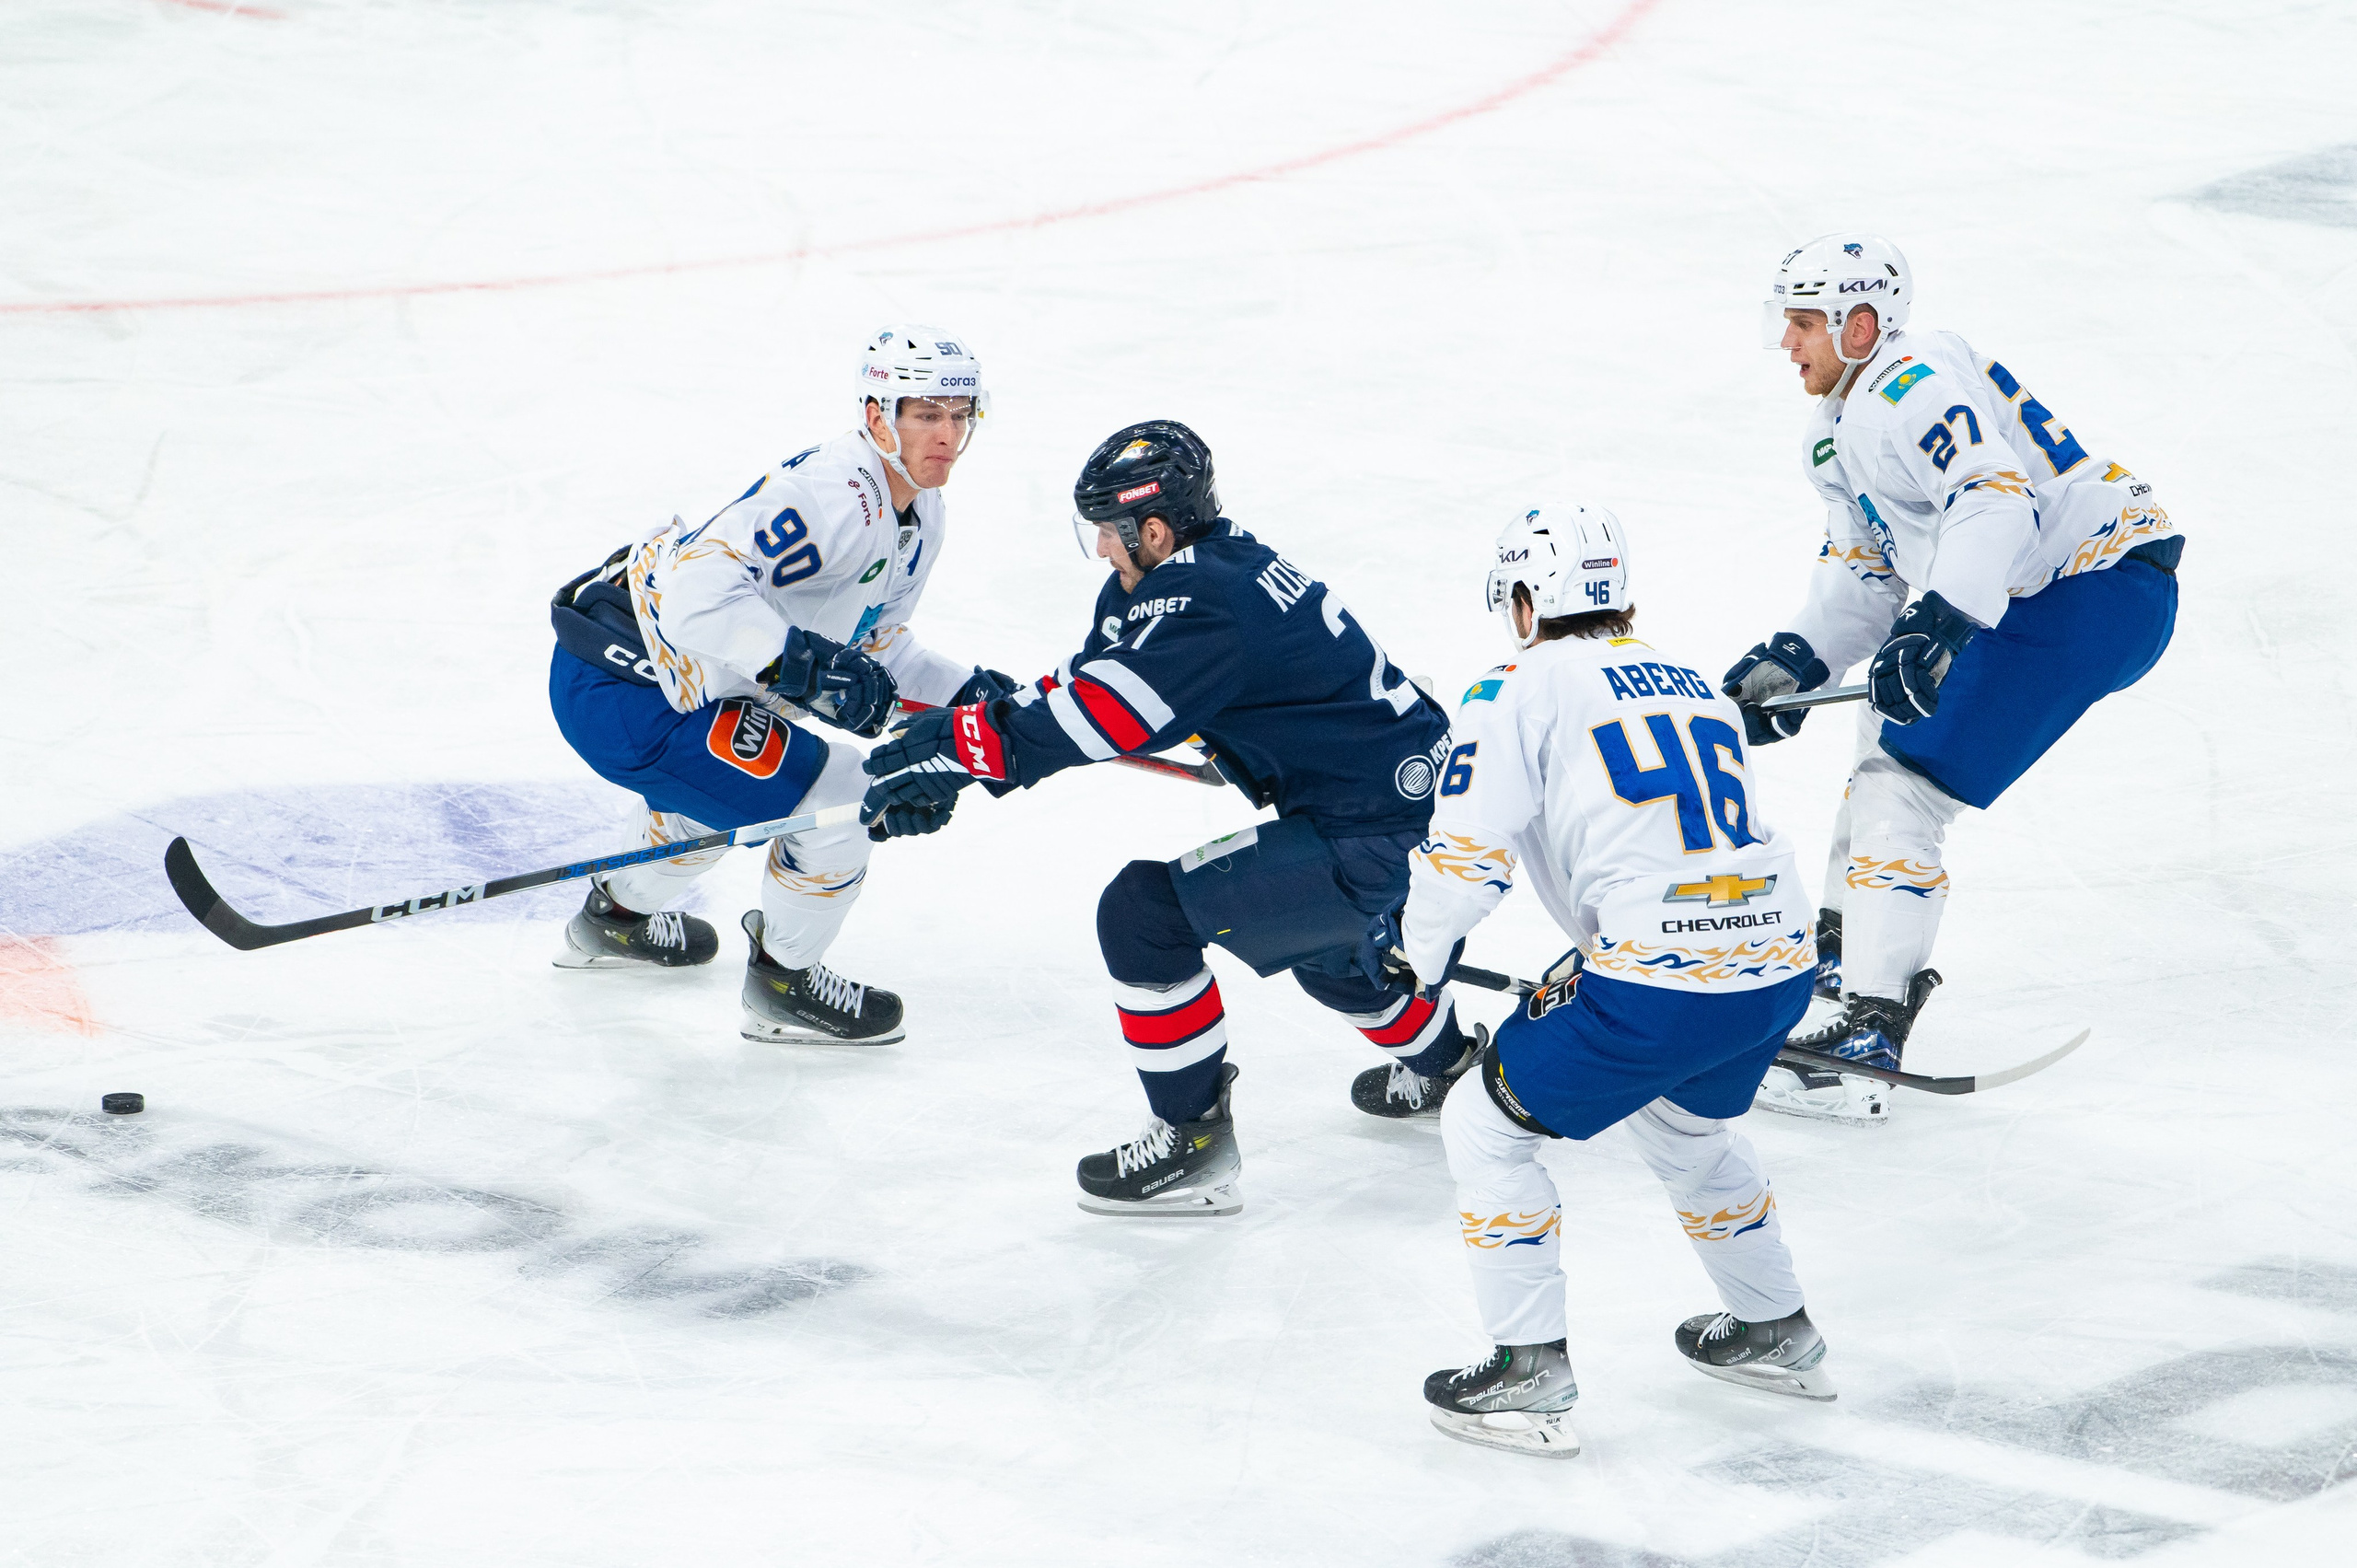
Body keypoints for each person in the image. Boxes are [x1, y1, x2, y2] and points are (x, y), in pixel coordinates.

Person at [857, 419, 1477, 1215]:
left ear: (1152, 528)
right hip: (1390, 803)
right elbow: (1086, 688)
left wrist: (967, 751)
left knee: (1144, 912)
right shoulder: (1204, 570)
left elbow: (1107, 714)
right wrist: (965, 762)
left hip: (1381, 829)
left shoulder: (1202, 602)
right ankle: (1449, 1066)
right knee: (1325, 950)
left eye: (1107, 536)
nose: (1103, 553)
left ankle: (1192, 1140)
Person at [1401, 504, 1830, 1458]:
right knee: (1685, 1122)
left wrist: (1414, 954)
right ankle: (1776, 1326)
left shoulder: (1512, 685)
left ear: (1526, 599)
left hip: (1656, 976)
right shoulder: (1689, 679)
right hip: (1776, 961)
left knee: (1481, 1120)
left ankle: (1527, 1369)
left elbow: (1467, 856)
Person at [1724, 235, 2182, 1124]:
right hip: (2059, 588)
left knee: (1906, 786)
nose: (1789, 342)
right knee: (1882, 741)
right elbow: (1868, 568)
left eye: (1806, 322)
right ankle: (1847, 952)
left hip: (2090, 588)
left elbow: (1994, 497)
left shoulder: (1909, 380)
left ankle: (1868, 1033)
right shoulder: (1839, 430)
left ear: (1862, 324)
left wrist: (1939, 625)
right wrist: (1798, 657)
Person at [543, 325, 1013, 1045]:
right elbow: (695, 591)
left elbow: (876, 647)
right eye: (926, 413)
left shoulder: (919, 511)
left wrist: (972, 700)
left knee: (705, 816)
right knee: (849, 798)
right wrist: (805, 667)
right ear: (877, 415)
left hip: (663, 687)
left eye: (959, 414)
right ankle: (784, 984)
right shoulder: (837, 493)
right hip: (628, 687)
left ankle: (613, 922)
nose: (947, 433)